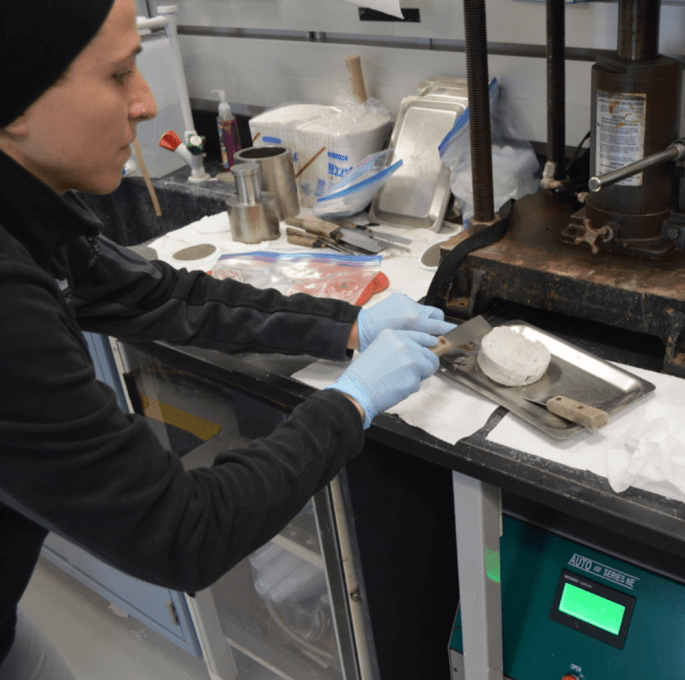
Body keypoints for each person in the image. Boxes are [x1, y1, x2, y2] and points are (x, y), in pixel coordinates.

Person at [0, 1, 456, 677]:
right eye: (120, 74)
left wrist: (347, 326)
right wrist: (351, 403)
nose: (147, 103)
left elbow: (163, 294)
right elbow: (182, 531)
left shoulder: (29, 209)